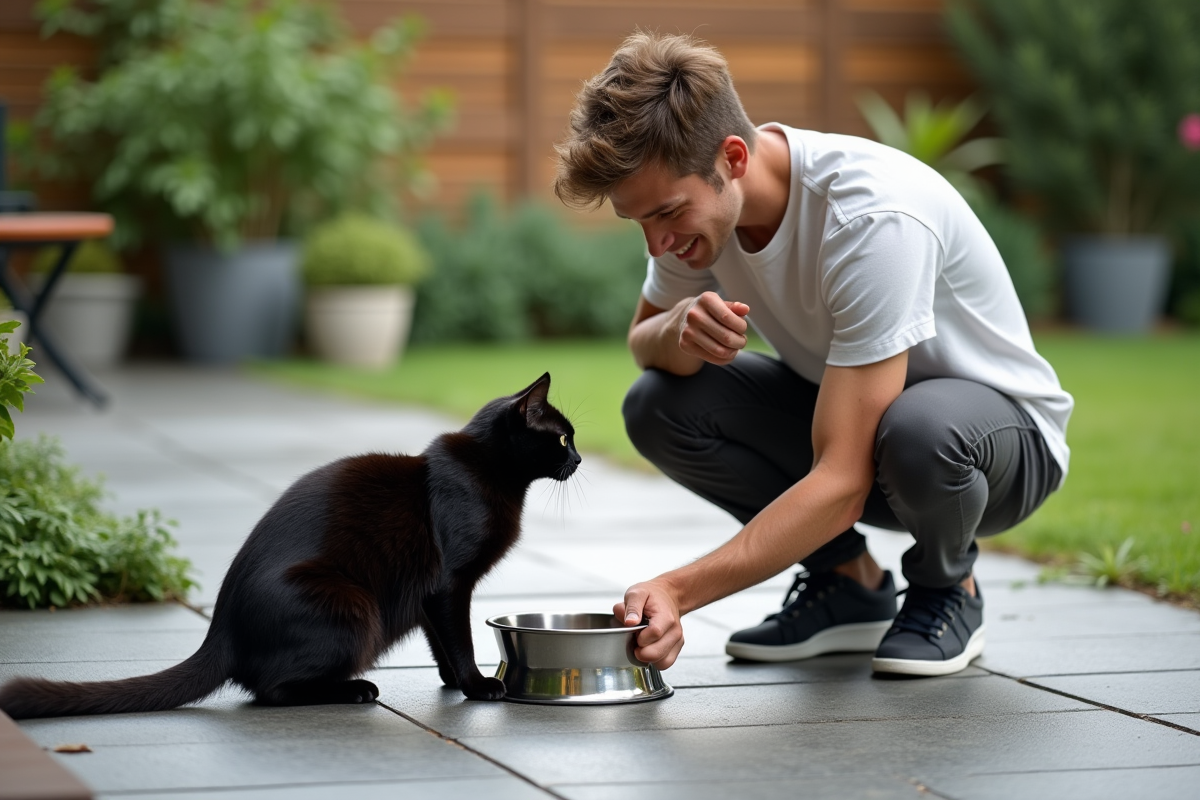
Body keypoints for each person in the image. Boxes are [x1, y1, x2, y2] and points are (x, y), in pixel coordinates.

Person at [552, 31, 1073, 677]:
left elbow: (844, 480)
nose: (657, 245)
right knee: (659, 403)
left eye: (666, 213)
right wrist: (678, 326)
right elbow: (644, 345)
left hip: (997, 455)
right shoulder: (696, 219)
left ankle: (948, 589)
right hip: (878, 445)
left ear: (733, 157)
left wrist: (679, 591)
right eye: (640, 224)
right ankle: (848, 585)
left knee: (919, 428)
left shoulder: (871, 219)